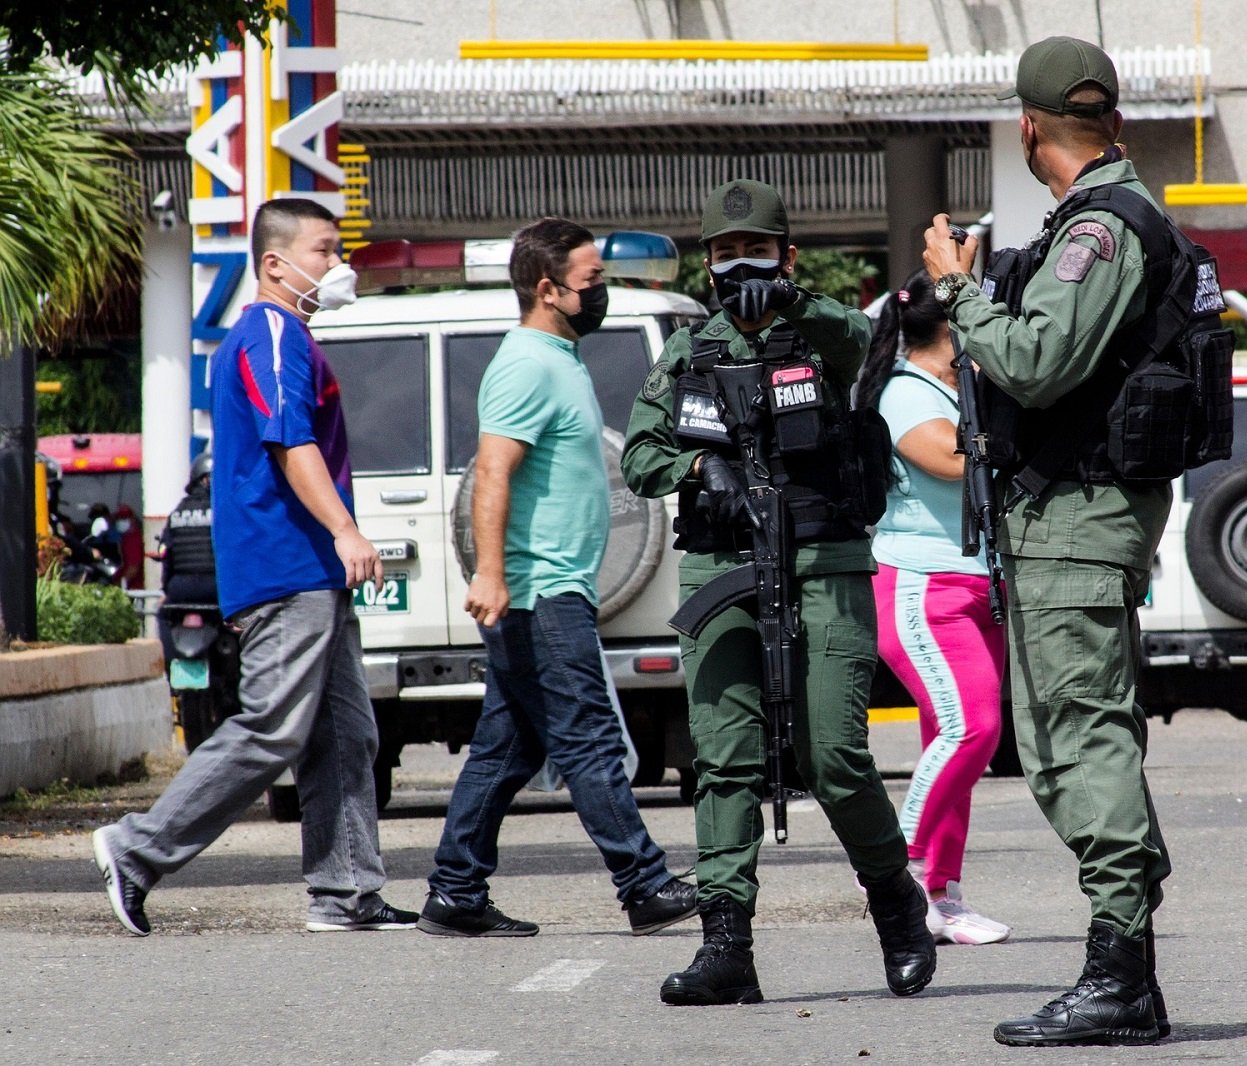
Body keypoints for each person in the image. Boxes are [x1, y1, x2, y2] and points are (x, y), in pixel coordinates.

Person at [623, 179, 936, 1006]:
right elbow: (640, 455)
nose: (739, 266)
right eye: (724, 254)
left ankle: (897, 902)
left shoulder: (825, 336)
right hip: (721, 571)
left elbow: (873, 341)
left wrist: (801, 301)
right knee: (723, 763)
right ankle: (728, 947)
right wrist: (700, 464)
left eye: (755, 251)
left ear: (786, 256)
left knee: (833, 756)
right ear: (706, 264)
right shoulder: (688, 352)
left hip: (823, 562)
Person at [922, 37, 1175, 1046]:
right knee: (1066, 736)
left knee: (1082, 734)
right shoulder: (1110, 217)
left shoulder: (1102, 230)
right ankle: (1124, 966)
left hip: (1079, 514)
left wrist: (957, 288)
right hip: (1069, 514)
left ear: (1028, 129)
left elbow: (1033, 358)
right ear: (1109, 117)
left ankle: (1120, 970)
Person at [92, 197, 415, 936]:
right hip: (287, 565)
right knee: (272, 726)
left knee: (346, 734)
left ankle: (345, 893)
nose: (339, 266)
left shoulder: (287, 334)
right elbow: (289, 442)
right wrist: (345, 530)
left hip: (310, 572)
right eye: (324, 251)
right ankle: (136, 850)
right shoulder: (269, 332)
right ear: (275, 264)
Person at [416, 217, 697, 940]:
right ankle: (643, 883)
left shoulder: (559, 357)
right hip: (540, 590)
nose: (601, 292)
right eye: (592, 281)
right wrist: (491, 572)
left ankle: (454, 890)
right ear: (548, 289)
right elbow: (492, 474)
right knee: (592, 739)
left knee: (507, 749)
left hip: (555, 585)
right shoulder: (525, 365)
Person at [853, 270, 1010, 946]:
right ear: (950, 328)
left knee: (953, 749)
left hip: (978, 587)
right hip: (923, 588)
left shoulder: (958, 387)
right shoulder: (903, 391)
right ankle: (898, 868)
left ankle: (942, 897)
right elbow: (951, 459)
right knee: (971, 729)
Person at [155, 453, 219, 663]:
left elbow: (167, 558)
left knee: (164, 614)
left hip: (181, 588)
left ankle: (171, 663)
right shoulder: (224, 512)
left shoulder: (178, 513)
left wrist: (166, 589)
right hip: (215, 587)